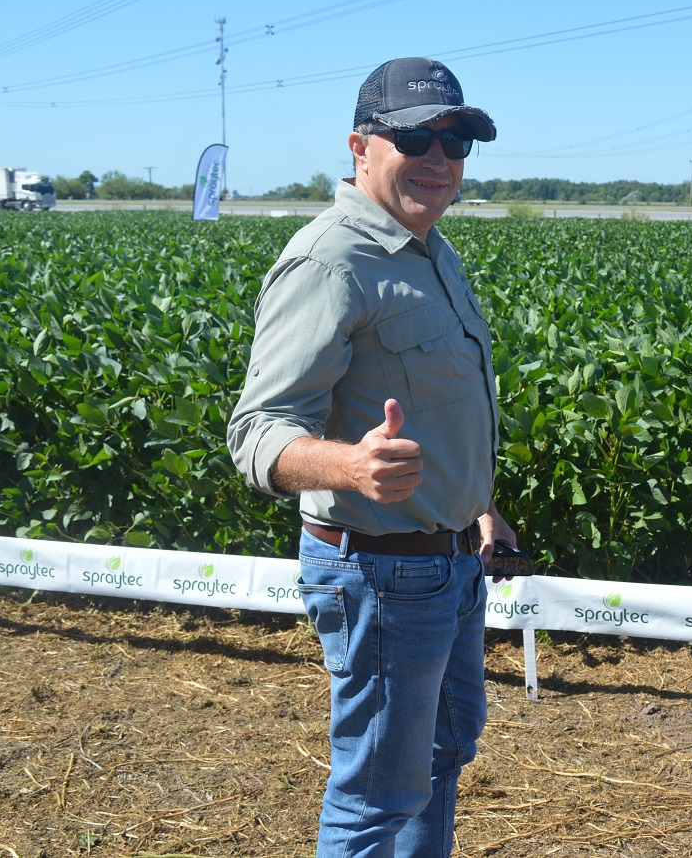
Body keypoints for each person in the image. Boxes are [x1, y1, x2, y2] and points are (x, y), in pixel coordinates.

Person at [227, 56, 515, 857]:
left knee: (440, 757)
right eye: (416, 136)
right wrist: (350, 467)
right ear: (360, 146)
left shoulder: (432, 251)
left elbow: (440, 408)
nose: (439, 158)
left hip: (450, 562)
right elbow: (257, 432)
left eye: (456, 142)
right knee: (377, 798)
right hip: (383, 576)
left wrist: (476, 507)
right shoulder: (330, 262)